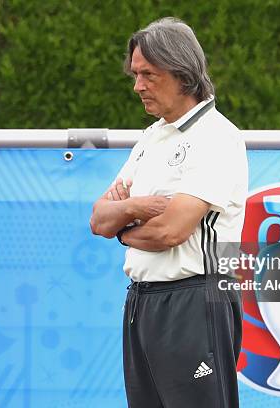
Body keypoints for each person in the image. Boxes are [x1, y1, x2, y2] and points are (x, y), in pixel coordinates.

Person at [90, 17, 248, 408]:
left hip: (196, 301)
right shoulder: (150, 137)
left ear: (182, 74)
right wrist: (135, 208)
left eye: (148, 74)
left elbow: (169, 232)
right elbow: (98, 219)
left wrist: (123, 230)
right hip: (142, 302)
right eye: (135, 74)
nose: (137, 85)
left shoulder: (217, 136)